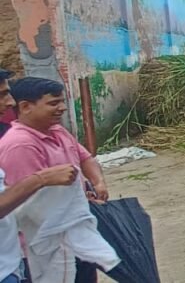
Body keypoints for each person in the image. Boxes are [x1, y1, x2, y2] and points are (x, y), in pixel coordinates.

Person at [0, 77, 113, 282]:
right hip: (46, 244)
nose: (62, 108)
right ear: (26, 107)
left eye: (62, 101)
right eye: (53, 103)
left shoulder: (57, 131)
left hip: (71, 234)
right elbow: (31, 205)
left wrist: (98, 182)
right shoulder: (19, 145)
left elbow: (84, 157)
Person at [0, 69, 79, 283]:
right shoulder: (18, 143)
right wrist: (41, 178)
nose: (10, 102)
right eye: (2, 95)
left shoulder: (58, 131)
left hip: (11, 263)